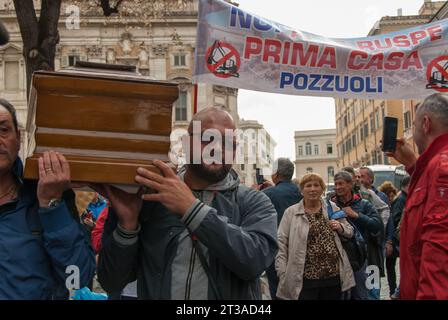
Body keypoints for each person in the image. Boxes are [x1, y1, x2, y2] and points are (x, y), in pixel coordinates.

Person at [97, 107, 278, 299]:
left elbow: (253, 263)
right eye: (208, 139)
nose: (217, 149)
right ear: (186, 143)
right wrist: (127, 225)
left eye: (228, 144)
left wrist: (192, 210)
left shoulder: (255, 202)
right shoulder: (152, 199)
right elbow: (111, 281)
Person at [0, 99, 95, 299]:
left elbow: (77, 281)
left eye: (3, 130)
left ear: (18, 138)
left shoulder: (52, 196)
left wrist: (51, 205)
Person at [385, 93, 448, 300]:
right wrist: (413, 165)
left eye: (413, 125)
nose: (412, 133)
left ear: (426, 124)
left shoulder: (441, 166)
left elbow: (440, 247)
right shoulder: (435, 165)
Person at [276, 173, 355, 300]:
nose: (312, 189)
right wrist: (282, 272)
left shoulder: (332, 207)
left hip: (332, 277)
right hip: (304, 278)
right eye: (308, 186)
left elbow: (350, 231)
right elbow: (281, 243)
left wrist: (340, 227)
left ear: (322, 189)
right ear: (302, 190)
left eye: (316, 185)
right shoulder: (291, 212)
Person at [332, 171, 383, 300]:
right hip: (341, 258)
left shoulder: (364, 204)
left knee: (366, 294)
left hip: (364, 257)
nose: (337, 187)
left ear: (350, 185)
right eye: (336, 184)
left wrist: (357, 215)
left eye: (341, 184)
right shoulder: (331, 205)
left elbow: (377, 225)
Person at [262, 157, 303, 299]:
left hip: (277, 251)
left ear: (276, 174)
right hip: (302, 249)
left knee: (278, 290)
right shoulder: (303, 193)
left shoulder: (266, 195)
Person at [385, 175, 410, 300]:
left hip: (396, 238)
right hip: (397, 238)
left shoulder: (402, 197)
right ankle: (395, 291)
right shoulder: (401, 199)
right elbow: (395, 219)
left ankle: (396, 291)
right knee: (399, 266)